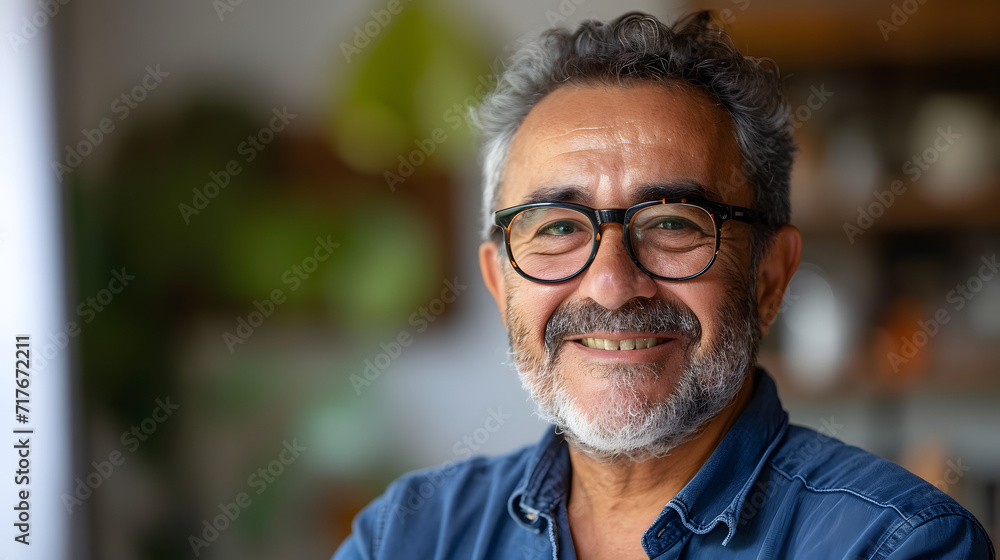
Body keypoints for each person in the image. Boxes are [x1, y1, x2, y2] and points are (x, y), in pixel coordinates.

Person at [332, 11, 995, 559]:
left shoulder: (895, 545)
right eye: (558, 227)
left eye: (673, 223)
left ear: (770, 276)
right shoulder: (406, 534)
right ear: (499, 280)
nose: (613, 285)